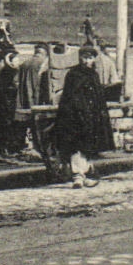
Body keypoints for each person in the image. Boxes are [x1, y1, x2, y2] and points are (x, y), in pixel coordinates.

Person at [55, 45, 114, 187]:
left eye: (89, 58)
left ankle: (84, 173)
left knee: (87, 144)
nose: (86, 61)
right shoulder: (74, 74)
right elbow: (70, 96)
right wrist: (79, 110)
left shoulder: (93, 74)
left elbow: (98, 96)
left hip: (91, 115)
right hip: (75, 115)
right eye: (84, 57)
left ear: (94, 59)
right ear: (80, 58)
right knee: (76, 145)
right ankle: (78, 175)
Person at [16, 43, 51, 155]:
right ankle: (40, 147)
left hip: (24, 98)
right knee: (39, 124)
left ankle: (22, 145)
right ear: (45, 53)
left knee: (26, 123)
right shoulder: (43, 64)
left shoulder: (24, 63)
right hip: (38, 98)